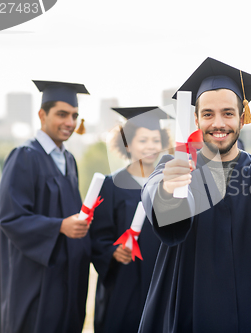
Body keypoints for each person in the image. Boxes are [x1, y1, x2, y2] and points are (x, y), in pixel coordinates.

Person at [139, 57, 251, 332]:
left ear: (242, 116)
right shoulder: (176, 169)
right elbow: (154, 195)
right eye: (208, 114)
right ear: (196, 118)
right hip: (192, 303)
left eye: (228, 113)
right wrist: (169, 189)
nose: (218, 123)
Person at [0, 80, 91, 333]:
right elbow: (11, 219)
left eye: (74, 116)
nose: (70, 122)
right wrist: (60, 226)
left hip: (64, 274)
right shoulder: (24, 156)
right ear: (41, 115)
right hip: (34, 275)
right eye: (62, 114)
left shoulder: (68, 159)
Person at [90, 106, 171, 333]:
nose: (151, 147)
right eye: (143, 140)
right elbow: (97, 237)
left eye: (156, 140)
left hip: (161, 277)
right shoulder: (111, 184)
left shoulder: (169, 183)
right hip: (124, 282)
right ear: (127, 144)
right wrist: (113, 251)